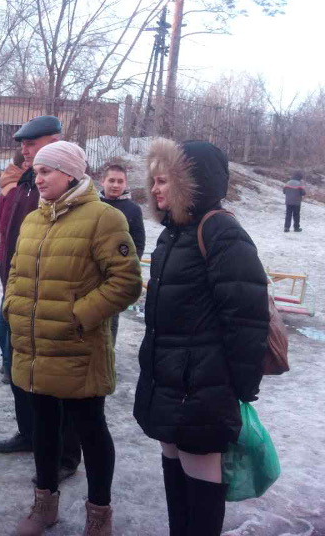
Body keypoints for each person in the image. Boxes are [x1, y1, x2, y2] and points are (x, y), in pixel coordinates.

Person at [4, 141, 141, 536]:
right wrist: (13, 306)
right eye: (37, 171)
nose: (38, 177)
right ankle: (44, 506)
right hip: (36, 346)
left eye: (47, 171)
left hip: (80, 348)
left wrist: (78, 316)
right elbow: (16, 271)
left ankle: (99, 515)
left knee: (90, 429)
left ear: (71, 174)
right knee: (44, 428)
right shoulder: (34, 219)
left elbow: (127, 282)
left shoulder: (104, 218)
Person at [134, 138, 269, 536]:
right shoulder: (173, 233)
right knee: (174, 472)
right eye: (153, 181)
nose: (155, 190)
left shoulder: (221, 231)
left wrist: (240, 387)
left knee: (201, 487)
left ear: (192, 183)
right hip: (169, 381)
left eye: (164, 181)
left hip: (204, 388)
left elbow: (246, 319)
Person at [0, 116, 80, 487]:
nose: (24, 149)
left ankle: (65, 455)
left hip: (53, 301)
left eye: (31, 143)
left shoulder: (69, 189)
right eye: (23, 144)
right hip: (17, 293)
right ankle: (29, 433)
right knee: (18, 366)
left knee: (57, 382)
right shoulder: (28, 182)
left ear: (55, 141)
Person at [99, 163, 146, 346]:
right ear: (103, 181)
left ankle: (108, 358)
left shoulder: (133, 210)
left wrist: (128, 268)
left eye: (120, 181)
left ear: (126, 184)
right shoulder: (93, 205)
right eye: (111, 180)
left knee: (111, 318)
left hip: (116, 275)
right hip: (91, 270)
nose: (115, 185)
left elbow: (138, 243)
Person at [0, 150, 28, 384]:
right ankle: (9, 364)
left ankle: (6, 360)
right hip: (14, 255)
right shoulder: (16, 189)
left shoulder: (13, 185)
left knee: (6, 306)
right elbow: (9, 227)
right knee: (10, 310)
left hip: (9, 254)